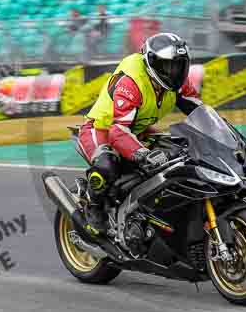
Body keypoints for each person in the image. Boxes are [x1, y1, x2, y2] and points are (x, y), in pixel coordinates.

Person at [77, 33, 202, 237]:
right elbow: (118, 132)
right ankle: (93, 207)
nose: (175, 72)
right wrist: (144, 154)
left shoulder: (175, 83)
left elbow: (199, 110)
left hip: (136, 131)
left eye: (179, 65)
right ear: (152, 63)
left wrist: (222, 129)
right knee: (106, 165)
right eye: (169, 66)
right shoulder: (132, 81)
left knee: (178, 151)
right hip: (102, 129)